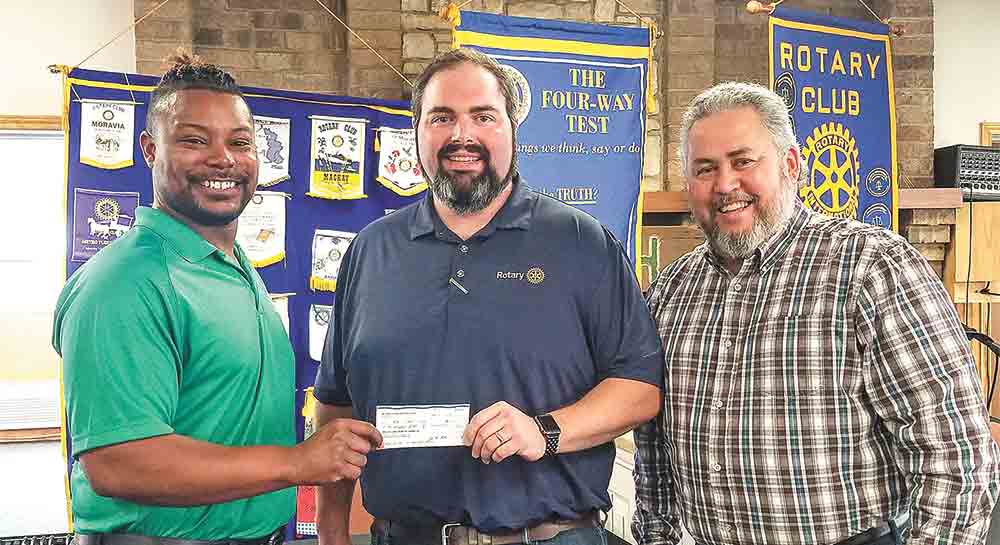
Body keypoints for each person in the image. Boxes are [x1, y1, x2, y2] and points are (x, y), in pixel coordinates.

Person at [312, 48, 664, 545]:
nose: (463, 135)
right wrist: (330, 531)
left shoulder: (581, 242)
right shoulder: (370, 251)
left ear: (512, 131)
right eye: (441, 117)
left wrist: (544, 431)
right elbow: (338, 407)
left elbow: (640, 388)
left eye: (483, 116)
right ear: (416, 133)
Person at [632, 81, 1000, 545]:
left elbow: (956, 456)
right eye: (705, 169)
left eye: (743, 161)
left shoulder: (872, 267)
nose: (725, 185)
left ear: (790, 165)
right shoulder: (670, 292)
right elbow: (653, 455)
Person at [52, 55, 382, 544]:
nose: (223, 158)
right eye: (193, 140)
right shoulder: (123, 283)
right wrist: (299, 460)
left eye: (240, 142)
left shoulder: (232, 266)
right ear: (149, 149)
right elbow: (119, 464)